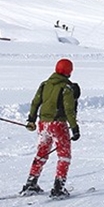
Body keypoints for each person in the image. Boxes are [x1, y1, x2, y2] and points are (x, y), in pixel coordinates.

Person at [19, 58, 80, 198]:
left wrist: (31, 120)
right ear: (69, 71)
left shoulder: (45, 84)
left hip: (43, 124)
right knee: (64, 156)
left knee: (42, 153)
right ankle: (58, 188)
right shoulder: (66, 88)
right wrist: (74, 128)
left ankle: (31, 183)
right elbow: (69, 110)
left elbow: (35, 102)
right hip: (58, 124)